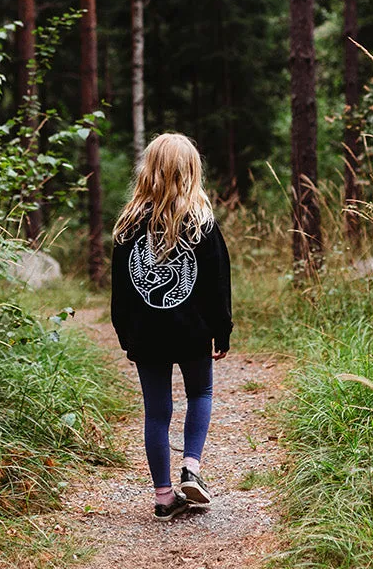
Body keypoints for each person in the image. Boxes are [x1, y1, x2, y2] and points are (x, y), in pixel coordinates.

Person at [110, 132, 234, 523]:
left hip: (148, 336)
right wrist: (222, 330)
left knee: (156, 412)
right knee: (200, 393)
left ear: (148, 171)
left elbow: (121, 292)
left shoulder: (128, 227)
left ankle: (164, 497)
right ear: (191, 172)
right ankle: (191, 467)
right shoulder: (202, 224)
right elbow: (218, 284)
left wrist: (126, 336)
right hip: (194, 333)